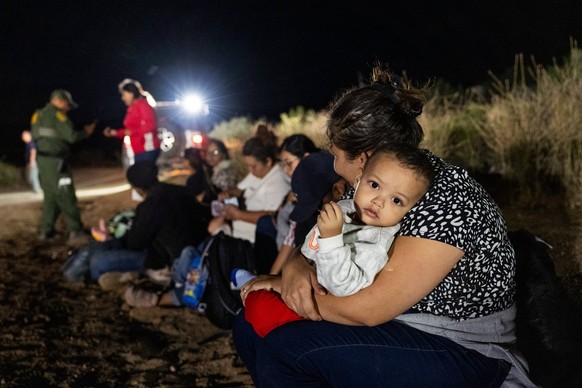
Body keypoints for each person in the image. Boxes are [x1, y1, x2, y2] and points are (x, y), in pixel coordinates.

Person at [232, 66, 535, 387]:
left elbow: (370, 309)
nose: (334, 166)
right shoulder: (370, 187)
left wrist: (289, 293)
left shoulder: (446, 198)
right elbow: (316, 244)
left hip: (461, 345)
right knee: (247, 327)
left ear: (361, 158)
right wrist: (294, 267)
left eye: (335, 155)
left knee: (288, 350)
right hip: (399, 327)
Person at [235, 143, 434, 337]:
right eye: (374, 185)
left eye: (396, 200)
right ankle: (251, 283)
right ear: (359, 178)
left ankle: (251, 286)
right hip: (306, 282)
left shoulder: (376, 243)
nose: (378, 201)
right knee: (249, 312)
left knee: (259, 308)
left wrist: (331, 239)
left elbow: (343, 286)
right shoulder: (347, 206)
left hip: (325, 306)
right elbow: (310, 243)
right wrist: (297, 268)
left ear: (409, 211)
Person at [89, 161, 211, 286]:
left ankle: (95, 284)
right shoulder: (182, 191)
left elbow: (135, 243)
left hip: (168, 261)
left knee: (98, 261)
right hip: (196, 250)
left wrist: (115, 239)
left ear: (138, 188)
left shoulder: (150, 206)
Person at [30, 89, 95, 241]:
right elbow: (71, 136)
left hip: (43, 162)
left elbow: (35, 136)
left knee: (50, 196)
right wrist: (85, 132)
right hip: (57, 163)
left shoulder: (37, 115)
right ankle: (75, 230)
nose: (67, 109)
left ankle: (46, 231)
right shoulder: (58, 116)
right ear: (59, 101)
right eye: (67, 105)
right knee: (66, 194)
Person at [254, 134, 319, 273]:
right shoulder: (298, 185)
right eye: (282, 164)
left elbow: (291, 236)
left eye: (289, 163)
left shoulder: (312, 186)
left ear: (307, 157)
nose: (285, 170)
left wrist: (272, 276)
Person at [212, 125, 289, 243]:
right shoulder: (258, 172)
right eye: (247, 165)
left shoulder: (278, 182)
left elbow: (273, 217)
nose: (250, 170)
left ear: (268, 161)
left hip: (254, 242)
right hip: (236, 234)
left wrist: (238, 214)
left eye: (253, 166)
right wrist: (228, 193)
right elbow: (239, 189)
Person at [103, 79, 160, 164]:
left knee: (142, 175)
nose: (122, 98)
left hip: (147, 149)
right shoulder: (132, 108)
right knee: (143, 176)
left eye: (124, 95)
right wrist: (115, 133)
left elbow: (150, 126)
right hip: (138, 150)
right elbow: (129, 130)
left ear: (131, 93)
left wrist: (132, 132)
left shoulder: (143, 105)